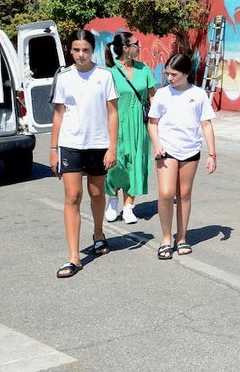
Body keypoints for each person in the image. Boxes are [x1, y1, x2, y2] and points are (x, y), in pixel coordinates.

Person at [50, 29, 119, 278]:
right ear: (71, 50)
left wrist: (112, 147)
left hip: (98, 144)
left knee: (97, 193)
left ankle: (99, 233)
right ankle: (74, 257)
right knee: (72, 196)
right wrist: (53, 149)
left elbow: (112, 112)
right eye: (77, 50)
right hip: (70, 144)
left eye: (86, 50)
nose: (81, 54)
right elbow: (58, 114)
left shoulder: (104, 76)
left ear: (93, 51)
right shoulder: (64, 77)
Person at [147, 53, 217, 259]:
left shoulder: (198, 94)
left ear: (186, 73)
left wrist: (212, 153)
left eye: (174, 74)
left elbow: (206, 124)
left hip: (191, 150)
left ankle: (182, 237)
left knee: (184, 194)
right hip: (166, 149)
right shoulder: (161, 94)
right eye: (167, 73)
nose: (169, 78)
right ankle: (166, 237)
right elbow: (152, 123)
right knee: (167, 193)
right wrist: (157, 143)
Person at [103, 31, 157, 225]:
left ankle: (129, 206)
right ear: (125, 48)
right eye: (136, 44)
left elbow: (153, 97)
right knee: (116, 163)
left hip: (139, 125)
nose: (139, 47)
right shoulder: (109, 72)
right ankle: (112, 199)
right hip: (116, 123)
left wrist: (158, 123)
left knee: (136, 163)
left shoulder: (144, 69)